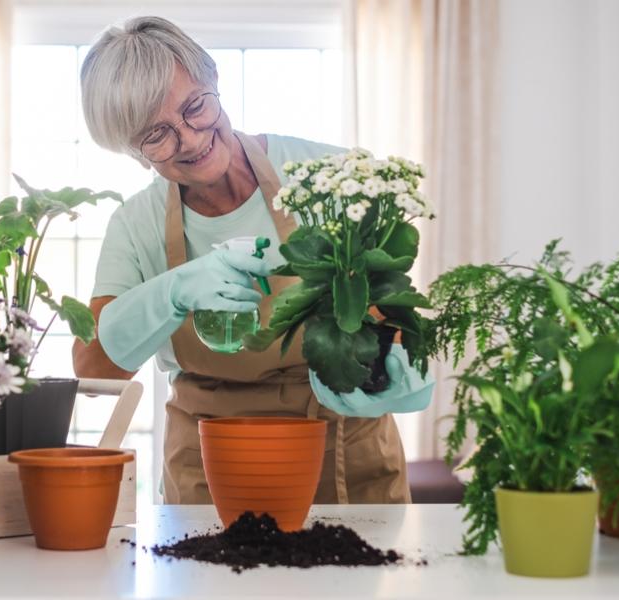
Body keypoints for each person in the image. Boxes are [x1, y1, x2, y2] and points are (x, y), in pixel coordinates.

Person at [72, 16, 433, 504]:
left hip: (343, 459)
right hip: (207, 475)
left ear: (214, 79)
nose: (191, 139)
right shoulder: (137, 224)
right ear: (133, 152)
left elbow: (388, 317)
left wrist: (390, 370)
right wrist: (171, 292)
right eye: (157, 135)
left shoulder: (330, 177)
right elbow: (94, 370)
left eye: (195, 107)